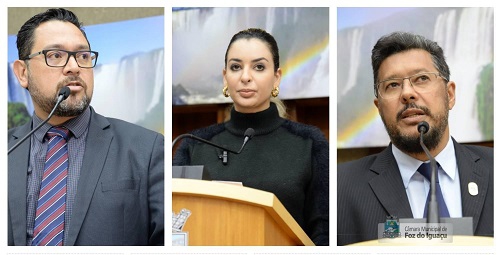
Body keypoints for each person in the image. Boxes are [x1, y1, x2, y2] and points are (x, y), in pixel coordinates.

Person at [8, 8, 164, 246]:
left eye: (83, 56)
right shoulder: (7, 150)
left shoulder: (147, 149)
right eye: (56, 55)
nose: (74, 67)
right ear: (22, 73)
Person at [173, 28, 329, 245]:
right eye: (236, 67)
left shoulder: (310, 143)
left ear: (276, 77)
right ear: (225, 77)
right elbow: (177, 222)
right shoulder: (193, 144)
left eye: (259, 67)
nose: (245, 77)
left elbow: (324, 231)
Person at [337, 31, 493, 245]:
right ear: (379, 108)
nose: (407, 93)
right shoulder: (339, 186)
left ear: (449, 95)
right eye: (392, 84)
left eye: (421, 79)